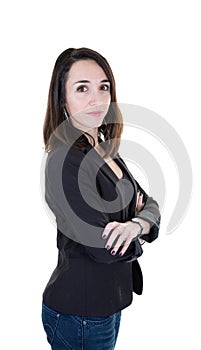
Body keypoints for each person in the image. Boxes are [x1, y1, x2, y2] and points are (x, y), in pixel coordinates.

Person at [41, 47, 161, 350]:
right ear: (62, 99)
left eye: (103, 87)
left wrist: (135, 227)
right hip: (79, 312)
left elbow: (149, 204)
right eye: (82, 88)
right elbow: (103, 248)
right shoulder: (64, 161)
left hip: (107, 303)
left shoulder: (104, 148)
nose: (97, 99)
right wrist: (137, 230)